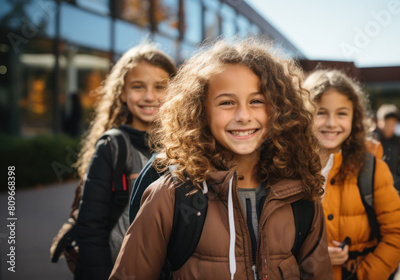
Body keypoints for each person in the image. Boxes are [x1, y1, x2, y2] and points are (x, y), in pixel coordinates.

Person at [109, 39, 333, 280]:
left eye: (257, 101)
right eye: (227, 102)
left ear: (279, 109)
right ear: (200, 111)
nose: (243, 116)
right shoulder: (171, 195)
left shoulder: (300, 195)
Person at [72, 42, 177, 280]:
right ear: (122, 92)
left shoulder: (184, 147)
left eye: (160, 87)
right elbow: (90, 229)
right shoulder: (112, 147)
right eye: (138, 87)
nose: (150, 96)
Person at [303, 69, 400, 280]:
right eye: (321, 112)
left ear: (355, 118)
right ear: (304, 113)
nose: (332, 123)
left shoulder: (371, 168)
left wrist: (362, 276)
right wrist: (312, 258)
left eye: (342, 113)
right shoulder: (284, 167)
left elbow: (398, 235)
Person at [374, 104, 400, 193]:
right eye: (387, 123)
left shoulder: (399, 143)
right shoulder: (372, 142)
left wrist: (399, 185)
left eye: (393, 123)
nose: (390, 127)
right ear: (379, 122)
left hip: (393, 189)